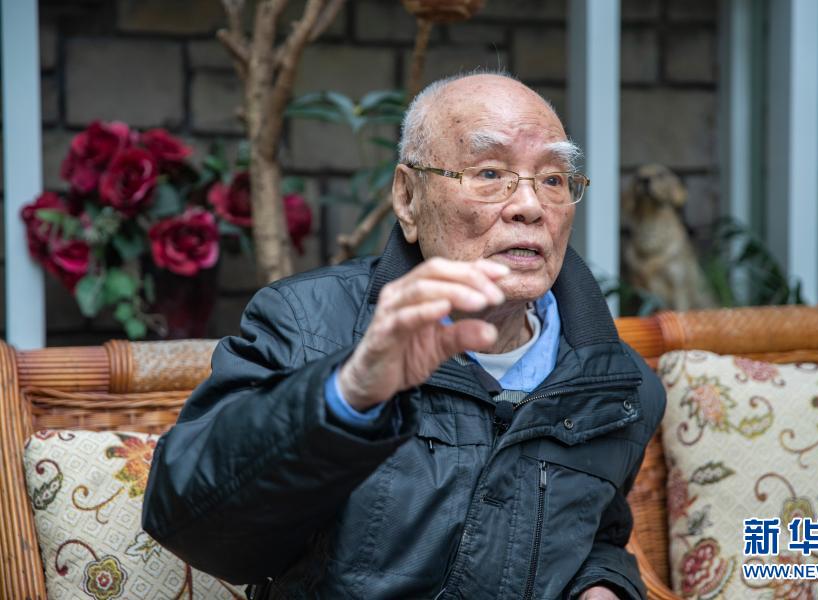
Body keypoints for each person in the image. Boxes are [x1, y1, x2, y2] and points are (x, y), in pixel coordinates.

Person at [143, 72, 666, 600]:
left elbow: (596, 530)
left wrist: (603, 584)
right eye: (489, 172)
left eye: (552, 179)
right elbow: (192, 522)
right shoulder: (307, 324)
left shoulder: (617, 384)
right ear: (408, 198)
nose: (530, 206)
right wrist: (349, 391)